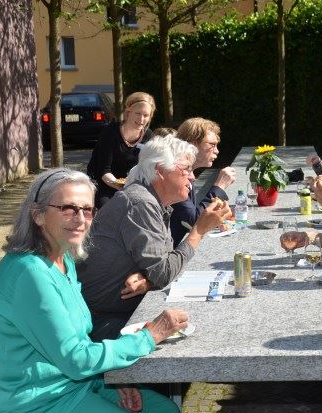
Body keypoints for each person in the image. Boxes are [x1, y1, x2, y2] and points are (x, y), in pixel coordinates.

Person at [0, 168, 188, 413]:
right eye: (68, 209)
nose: (80, 219)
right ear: (38, 215)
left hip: (74, 386)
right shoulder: (29, 273)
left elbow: (77, 342)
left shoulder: (64, 258)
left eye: (88, 210)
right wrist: (150, 336)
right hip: (37, 409)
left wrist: (108, 376)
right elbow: (76, 359)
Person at [78, 135, 231, 341]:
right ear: (160, 170)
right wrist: (199, 230)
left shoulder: (151, 200)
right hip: (104, 324)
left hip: (119, 312)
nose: (192, 177)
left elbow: (160, 268)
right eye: (186, 169)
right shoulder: (140, 203)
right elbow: (164, 273)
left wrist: (148, 280)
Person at [170, 117, 236, 246]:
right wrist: (219, 186)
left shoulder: (187, 172)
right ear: (193, 143)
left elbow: (189, 215)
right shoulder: (174, 173)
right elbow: (194, 220)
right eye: (212, 144)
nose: (217, 151)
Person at [87, 91, 156, 208]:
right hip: (106, 185)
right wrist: (125, 188)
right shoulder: (110, 132)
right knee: (110, 208)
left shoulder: (148, 136)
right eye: (138, 113)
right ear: (128, 112)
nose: (141, 119)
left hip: (134, 187)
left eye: (146, 115)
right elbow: (104, 171)